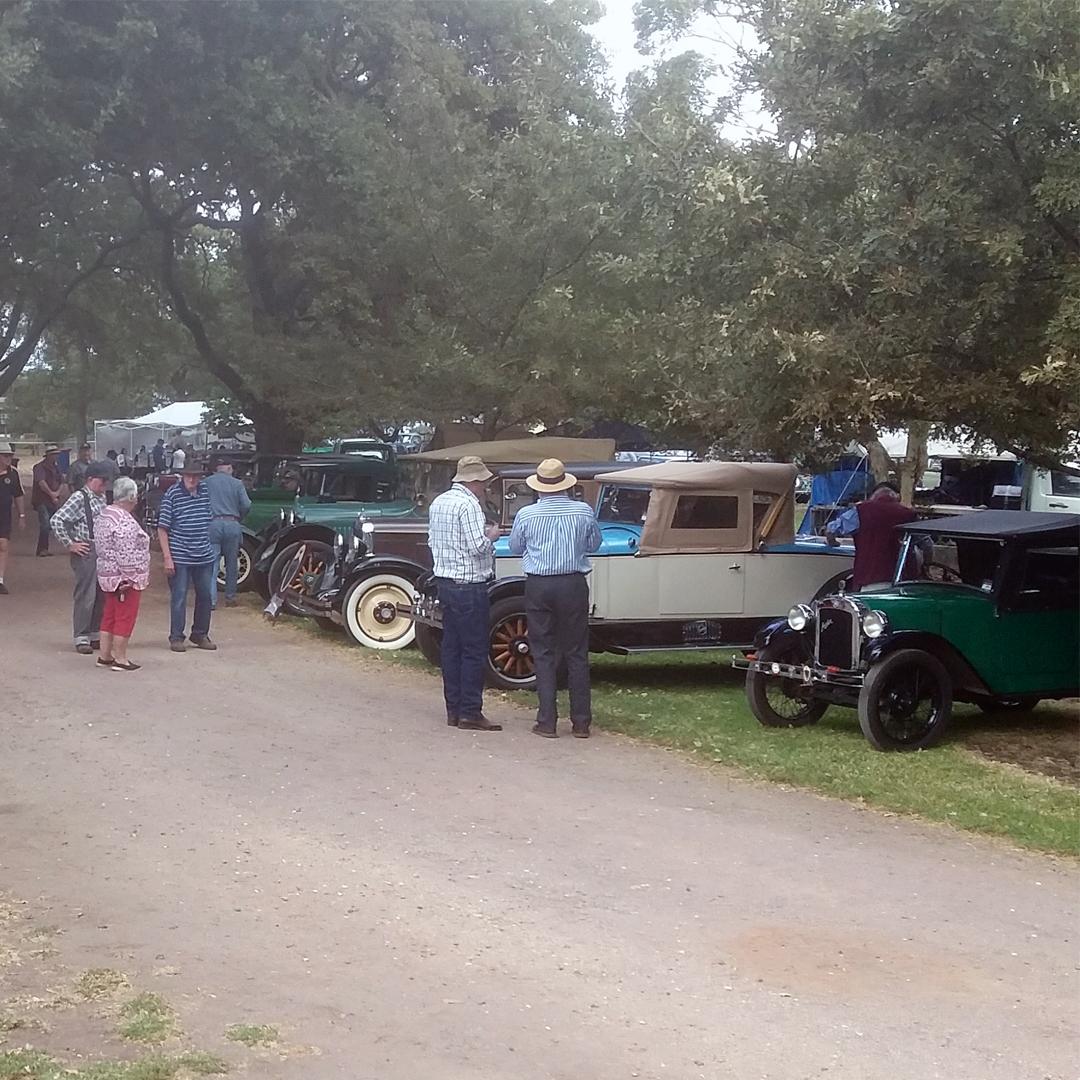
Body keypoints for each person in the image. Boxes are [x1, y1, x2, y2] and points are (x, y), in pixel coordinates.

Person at [508, 458, 602, 739]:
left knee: (543, 650)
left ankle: (547, 720)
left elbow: (515, 547)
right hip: (572, 582)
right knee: (576, 652)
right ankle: (581, 722)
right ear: (566, 485)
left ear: (538, 487)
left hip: (539, 583)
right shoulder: (583, 511)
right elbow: (594, 543)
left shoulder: (527, 514)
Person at [427, 455, 502, 731]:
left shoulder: (439, 502)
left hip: (445, 580)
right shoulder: (469, 505)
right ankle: (470, 710)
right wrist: (491, 537)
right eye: (483, 482)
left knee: (451, 647)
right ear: (475, 481)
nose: (485, 487)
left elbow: (433, 540)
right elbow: (477, 547)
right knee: (474, 649)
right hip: (469, 584)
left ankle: (454, 708)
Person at [50, 462, 109, 654]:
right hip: (86, 550)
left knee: (100, 593)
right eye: (102, 481)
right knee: (86, 595)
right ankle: (81, 636)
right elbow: (57, 520)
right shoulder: (79, 497)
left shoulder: (101, 497)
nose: (105, 485)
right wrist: (70, 544)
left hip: (101, 549)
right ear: (90, 479)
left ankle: (94, 633)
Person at [157, 460, 216, 652]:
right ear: (182, 476)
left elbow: (209, 517)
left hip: (204, 554)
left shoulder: (205, 491)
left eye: (196, 476)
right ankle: (176, 637)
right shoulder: (172, 494)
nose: (192, 479)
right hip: (180, 554)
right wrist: (167, 557)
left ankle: (200, 634)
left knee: (206, 596)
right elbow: (162, 529)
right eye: (189, 476)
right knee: (179, 597)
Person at [94, 476, 150, 671]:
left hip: (107, 575)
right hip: (124, 579)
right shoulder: (124, 521)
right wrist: (130, 578)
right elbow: (125, 553)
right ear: (131, 497)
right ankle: (120, 658)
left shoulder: (105, 514)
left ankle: (104, 656)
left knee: (109, 615)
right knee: (125, 617)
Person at [826, 481, 918, 590]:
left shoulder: (861, 510)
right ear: (897, 496)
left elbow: (832, 529)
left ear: (873, 495)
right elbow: (925, 544)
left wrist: (833, 542)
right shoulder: (908, 514)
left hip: (868, 578)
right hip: (903, 581)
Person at [205, 457, 251, 608]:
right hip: (232, 523)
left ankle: (211, 601)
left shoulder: (206, 483)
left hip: (212, 524)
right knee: (232, 563)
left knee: (212, 564)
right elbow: (246, 505)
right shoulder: (237, 483)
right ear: (230, 468)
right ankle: (230, 597)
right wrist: (238, 518)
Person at [0, 441, 26, 594]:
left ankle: (0, 579)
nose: (8, 458)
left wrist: (21, 515)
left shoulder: (13, 473)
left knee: (3, 545)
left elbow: (18, 495)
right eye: (5, 456)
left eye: (10, 456)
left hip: (4, 515)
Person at [31, 446, 64, 556]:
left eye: (57, 454)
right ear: (48, 456)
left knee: (51, 524)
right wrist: (52, 494)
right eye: (54, 454)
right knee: (45, 523)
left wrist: (57, 493)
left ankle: (44, 548)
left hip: (52, 499)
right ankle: (42, 549)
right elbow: (41, 483)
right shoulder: (39, 467)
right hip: (41, 499)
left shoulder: (57, 468)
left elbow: (62, 482)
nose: (56, 456)